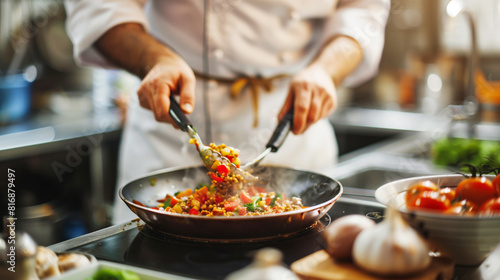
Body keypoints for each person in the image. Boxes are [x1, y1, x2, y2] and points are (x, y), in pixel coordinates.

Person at [64, 0, 390, 224]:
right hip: (167, 129)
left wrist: (327, 70)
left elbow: (365, 9)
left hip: (295, 128)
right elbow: (97, 7)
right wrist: (154, 59)